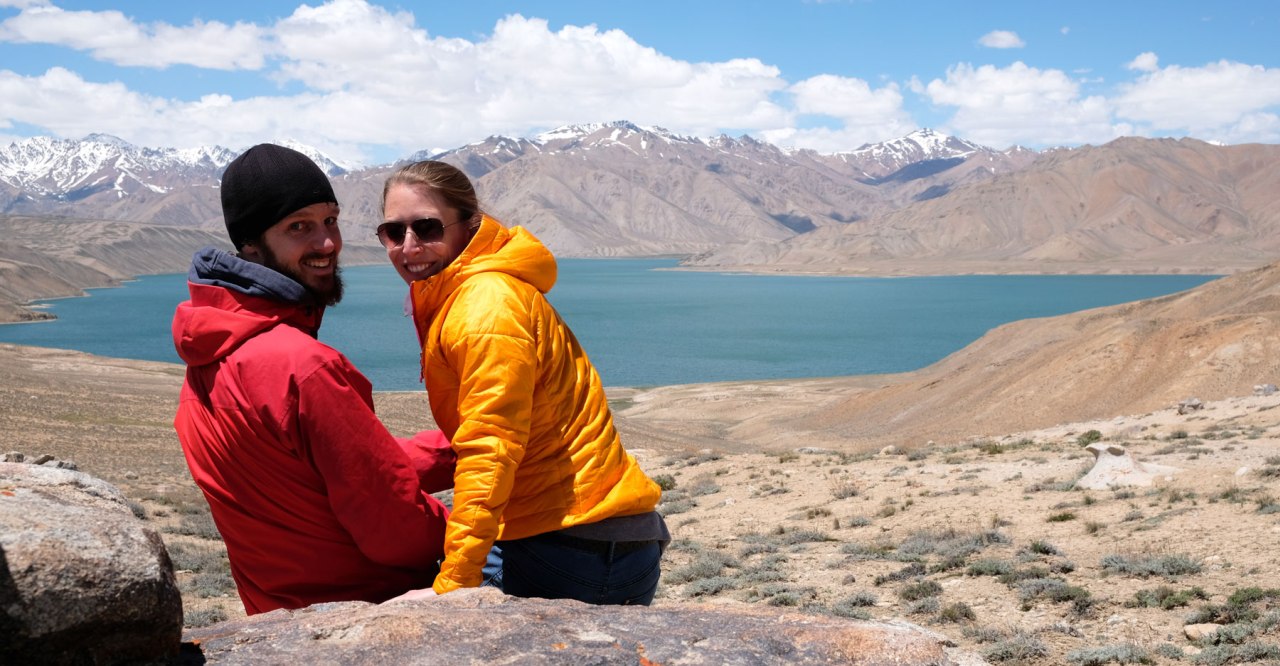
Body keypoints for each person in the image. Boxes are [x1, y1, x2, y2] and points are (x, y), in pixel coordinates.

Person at [171, 144, 454, 615]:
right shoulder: (302, 367)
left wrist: (458, 450)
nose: (328, 243)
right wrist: (471, 525)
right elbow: (393, 529)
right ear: (251, 245)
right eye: (299, 227)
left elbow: (336, 469)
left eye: (331, 220)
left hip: (276, 618)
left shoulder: (209, 354)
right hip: (367, 616)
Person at [378, 160, 669, 605]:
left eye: (427, 228)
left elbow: (490, 446)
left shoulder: (486, 306)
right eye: (394, 233)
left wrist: (453, 589)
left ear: (469, 228)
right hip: (600, 539)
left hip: (571, 546)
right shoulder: (466, 294)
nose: (409, 246)